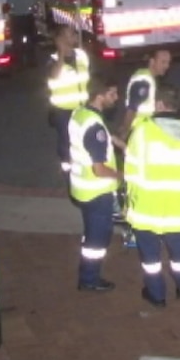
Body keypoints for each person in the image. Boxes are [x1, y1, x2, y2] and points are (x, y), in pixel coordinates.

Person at [124, 83, 180, 308]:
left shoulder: (142, 130)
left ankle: (156, 293)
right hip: (179, 208)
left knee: (150, 258)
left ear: (159, 104)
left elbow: (130, 170)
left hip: (146, 209)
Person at [68, 75, 122, 292]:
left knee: (92, 231)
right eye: (112, 94)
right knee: (98, 239)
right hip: (96, 192)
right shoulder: (95, 127)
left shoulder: (81, 114)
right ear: (100, 96)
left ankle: (88, 272)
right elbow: (99, 169)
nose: (116, 98)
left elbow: (97, 140)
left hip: (82, 189)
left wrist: (119, 143)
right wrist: (122, 175)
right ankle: (89, 278)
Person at [47, 24, 90, 172]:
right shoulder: (53, 59)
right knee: (66, 139)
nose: (72, 37)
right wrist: (61, 54)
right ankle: (68, 167)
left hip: (81, 107)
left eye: (72, 34)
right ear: (59, 39)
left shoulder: (81, 55)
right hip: (63, 110)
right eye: (68, 34)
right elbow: (53, 75)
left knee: (83, 136)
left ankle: (82, 163)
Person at [119, 49, 172, 140]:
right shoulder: (143, 80)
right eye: (163, 62)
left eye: (168, 62)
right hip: (139, 132)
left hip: (143, 131)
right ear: (152, 61)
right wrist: (125, 132)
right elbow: (132, 109)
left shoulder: (148, 77)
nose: (167, 66)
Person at [6, 0, 38, 68]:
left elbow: (9, 4)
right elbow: (33, 3)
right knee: (30, 41)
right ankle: (31, 61)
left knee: (17, 42)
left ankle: (19, 62)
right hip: (27, 17)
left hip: (16, 18)